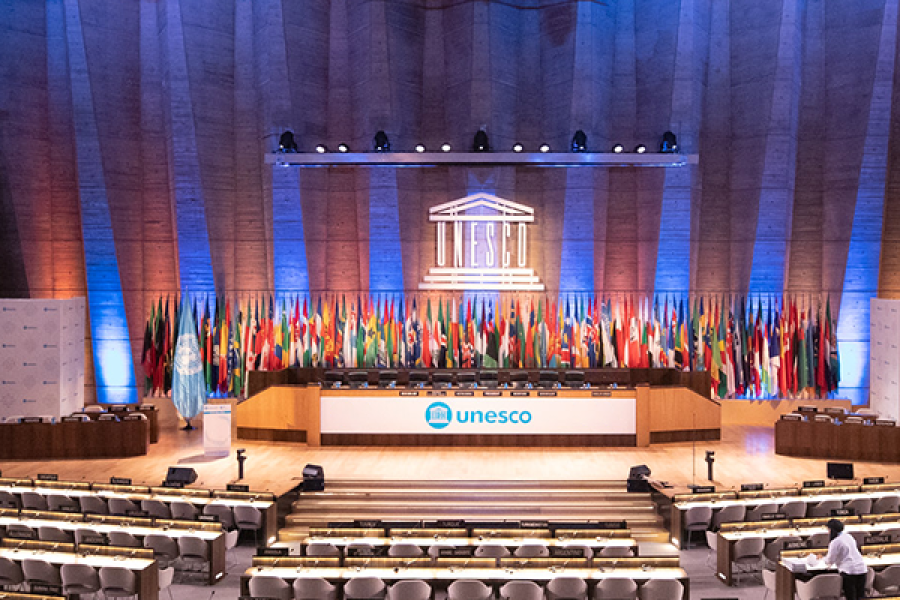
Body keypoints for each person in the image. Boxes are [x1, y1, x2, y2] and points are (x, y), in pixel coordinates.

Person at [819, 518, 867, 599]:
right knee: (860, 596)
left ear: (830, 530)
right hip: (862, 569)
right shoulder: (849, 536)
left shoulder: (835, 542)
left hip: (849, 572)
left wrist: (822, 558)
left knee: (850, 597)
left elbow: (829, 560)